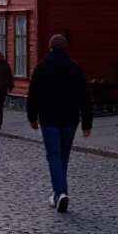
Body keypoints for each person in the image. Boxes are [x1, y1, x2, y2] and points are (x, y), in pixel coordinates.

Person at [26, 35, 93, 213]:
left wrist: (32, 117)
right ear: (65, 48)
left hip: (49, 120)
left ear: (50, 48)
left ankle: (61, 192)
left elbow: (33, 95)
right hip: (70, 121)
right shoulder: (75, 69)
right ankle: (57, 192)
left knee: (54, 155)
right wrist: (87, 122)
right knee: (63, 156)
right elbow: (85, 98)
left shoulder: (41, 69)